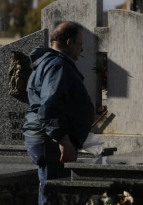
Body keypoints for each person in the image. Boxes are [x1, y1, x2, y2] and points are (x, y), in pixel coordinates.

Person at [22, 21, 94, 204]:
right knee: (54, 194)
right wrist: (63, 139)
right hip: (51, 140)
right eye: (80, 44)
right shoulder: (58, 66)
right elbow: (50, 106)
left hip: (45, 137)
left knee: (51, 189)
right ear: (69, 42)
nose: (81, 49)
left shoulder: (46, 62)